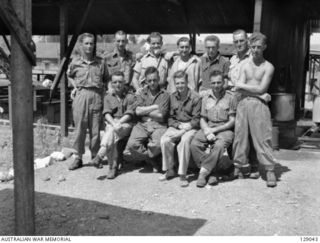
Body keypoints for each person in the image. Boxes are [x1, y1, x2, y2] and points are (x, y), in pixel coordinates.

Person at [233, 32, 277, 187]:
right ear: (249, 47)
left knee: (263, 137)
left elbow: (262, 87)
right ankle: (239, 167)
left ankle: (270, 169)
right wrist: (259, 93)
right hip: (244, 103)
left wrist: (243, 85)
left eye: (259, 47)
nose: (256, 50)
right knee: (241, 137)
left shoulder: (268, 67)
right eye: (253, 47)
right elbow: (241, 90)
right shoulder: (244, 65)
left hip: (259, 107)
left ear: (264, 47)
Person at [67, 33, 108, 170]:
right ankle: (78, 158)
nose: (89, 46)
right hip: (81, 95)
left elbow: (106, 80)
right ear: (81, 45)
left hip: (96, 96)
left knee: (95, 129)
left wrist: (104, 95)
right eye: (87, 43)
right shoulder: (75, 62)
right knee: (80, 128)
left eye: (92, 43)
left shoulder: (101, 62)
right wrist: (75, 87)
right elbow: (69, 75)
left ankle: (95, 157)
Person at [191, 70, 236, 188]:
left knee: (219, 145)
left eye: (219, 82)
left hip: (225, 129)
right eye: (213, 83)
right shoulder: (206, 97)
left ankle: (203, 173)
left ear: (223, 82)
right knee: (195, 143)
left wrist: (214, 131)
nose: (216, 85)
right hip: (209, 126)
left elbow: (232, 121)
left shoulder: (230, 97)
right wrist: (206, 130)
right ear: (210, 83)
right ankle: (212, 171)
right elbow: (202, 118)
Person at [160, 70, 201, 187]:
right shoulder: (172, 97)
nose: (180, 86)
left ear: (187, 82)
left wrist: (184, 130)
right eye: (177, 83)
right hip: (178, 125)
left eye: (182, 83)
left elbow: (197, 119)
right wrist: (178, 126)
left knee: (184, 141)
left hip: (191, 126)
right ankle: (169, 170)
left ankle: (182, 174)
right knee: (165, 140)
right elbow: (170, 118)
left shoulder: (196, 97)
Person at [90, 71, 135, 179]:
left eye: (120, 82)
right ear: (111, 83)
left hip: (126, 124)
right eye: (115, 82)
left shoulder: (130, 96)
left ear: (124, 82)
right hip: (114, 124)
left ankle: (103, 158)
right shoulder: (108, 97)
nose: (118, 84)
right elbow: (106, 114)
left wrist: (118, 123)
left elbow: (130, 114)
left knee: (111, 131)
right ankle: (112, 167)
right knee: (112, 132)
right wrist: (114, 123)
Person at [124, 66, 170, 172]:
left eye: (154, 80)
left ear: (159, 79)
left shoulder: (165, 95)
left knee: (158, 144)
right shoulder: (141, 93)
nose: (152, 83)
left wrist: (145, 111)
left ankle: (153, 157)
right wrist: (154, 107)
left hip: (158, 124)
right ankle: (151, 158)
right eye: (149, 80)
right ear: (146, 81)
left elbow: (161, 116)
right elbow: (138, 111)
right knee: (132, 145)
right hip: (142, 124)